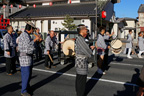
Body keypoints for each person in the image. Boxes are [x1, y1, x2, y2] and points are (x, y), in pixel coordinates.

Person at [18, 21, 40, 96]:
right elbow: (28, 47)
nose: (33, 31)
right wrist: (35, 40)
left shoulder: (27, 35)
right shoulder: (24, 35)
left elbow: (30, 45)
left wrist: (36, 42)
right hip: (25, 58)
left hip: (28, 58)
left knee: (29, 74)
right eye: (33, 29)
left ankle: (27, 86)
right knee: (26, 74)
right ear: (30, 28)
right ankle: (23, 91)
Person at [75, 24, 94, 96]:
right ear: (82, 30)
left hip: (80, 61)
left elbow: (84, 48)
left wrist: (89, 48)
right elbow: (86, 50)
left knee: (79, 78)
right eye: (86, 29)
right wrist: (90, 50)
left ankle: (79, 93)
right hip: (81, 62)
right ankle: (80, 94)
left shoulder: (80, 38)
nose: (87, 31)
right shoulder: (80, 39)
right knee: (81, 79)